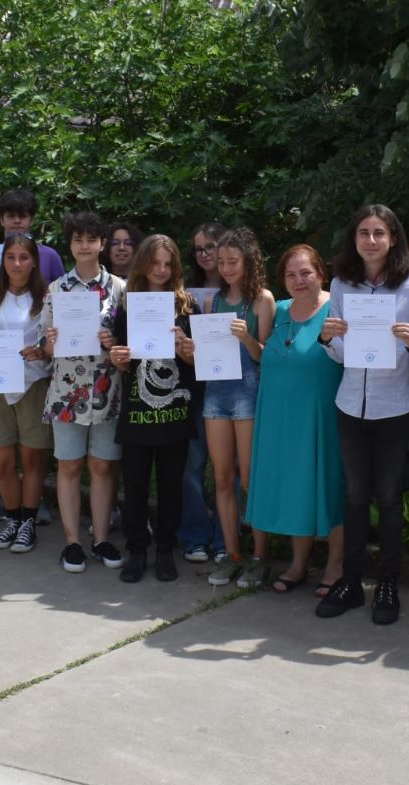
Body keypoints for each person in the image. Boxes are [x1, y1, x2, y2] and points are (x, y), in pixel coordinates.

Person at [315, 204, 409, 621]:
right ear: (354, 239)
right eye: (363, 233)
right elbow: (338, 352)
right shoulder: (341, 285)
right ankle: (350, 582)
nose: (371, 241)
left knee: (387, 498)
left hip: (394, 407)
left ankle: (387, 584)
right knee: (353, 497)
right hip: (350, 404)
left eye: (379, 233)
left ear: (393, 238)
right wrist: (328, 338)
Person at [242, 245, 346, 599]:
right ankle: (299, 564)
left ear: (321, 274)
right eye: (290, 274)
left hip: (321, 415)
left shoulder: (337, 308)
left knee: (329, 485)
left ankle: (335, 566)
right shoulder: (281, 310)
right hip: (279, 415)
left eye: (306, 273)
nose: (299, 280)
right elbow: (263, 354)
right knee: (295, 486)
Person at [106, 234, 200, 582]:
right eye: (155, 263)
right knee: (135, 485)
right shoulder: (128, 305)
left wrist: (186, 349)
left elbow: (197, 362)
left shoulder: (188, 306)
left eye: (167, 264)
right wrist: (117, 358)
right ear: (143, 264)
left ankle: (164, 548)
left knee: (171, 485)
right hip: (137, 411)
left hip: (174, 411)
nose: (161, 270)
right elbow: (121, 358)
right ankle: (136, 549)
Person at [43, 211, 126, 573]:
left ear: (102, 244)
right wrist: (51, 341)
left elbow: (129, 340)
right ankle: (72, 542)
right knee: (70, 464)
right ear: (71, 245)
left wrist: (114, 340)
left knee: (103, 466)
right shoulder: (57, 288)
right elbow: (45, 348)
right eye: (78, 239)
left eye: (91, 239)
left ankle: (101, 538)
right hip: (67, 391)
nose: (85, 245)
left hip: (107, 389)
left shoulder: (120, 288)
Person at [0, 233, 52, 554]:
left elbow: (54, 342)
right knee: (2, 462)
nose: (17, 264)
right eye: (11, 257)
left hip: (33, 385)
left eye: (24, 257)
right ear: (2, 262)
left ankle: (28, 522)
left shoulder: (47, 298)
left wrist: (42, 352)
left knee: (32, 460)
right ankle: (12, 519)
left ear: (34, 262)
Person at [203, 227, 276, 588]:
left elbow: (267, 358)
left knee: (250, 479)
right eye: (221, 262)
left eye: (233, 261)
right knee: (221, 478)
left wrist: (247, 338)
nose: (227, 268)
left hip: (249, 393)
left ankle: (260, 557)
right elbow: (206, 357)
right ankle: (231, 555)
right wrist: (189, 346)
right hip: (216, 394)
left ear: (249, 261)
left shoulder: (262, 300)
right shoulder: (212, 302)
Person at [178, 222, 228, 564]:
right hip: (194, 388)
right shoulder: (184, 293)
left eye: (211, 246)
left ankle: (226, 539)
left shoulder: (242, 289)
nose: (206, 254)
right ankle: (195, 536)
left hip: (231, 389)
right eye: (199, 249)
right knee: (191, 466)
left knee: (228, 471)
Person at [0, 189, 66, 286]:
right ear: (1, 220)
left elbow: (62, 293)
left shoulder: (50, 256)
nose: (17, 221)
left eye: (22, 216)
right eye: (11, 216)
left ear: (31, 220)